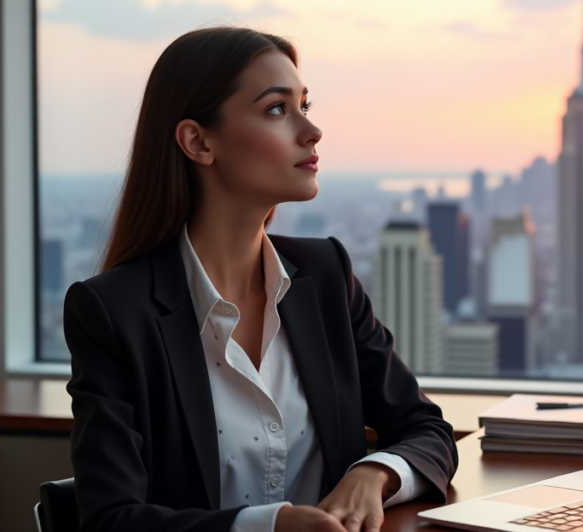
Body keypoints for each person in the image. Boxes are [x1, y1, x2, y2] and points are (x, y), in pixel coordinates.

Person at [63, 27, 457, 532]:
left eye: (304, 105)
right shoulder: (112, 312)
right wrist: (270, 526)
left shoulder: (326, 276)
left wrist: (375, 472)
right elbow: (110, 520)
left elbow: (427, 430)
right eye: (276, 109)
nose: (312, 131)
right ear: (198, 141)